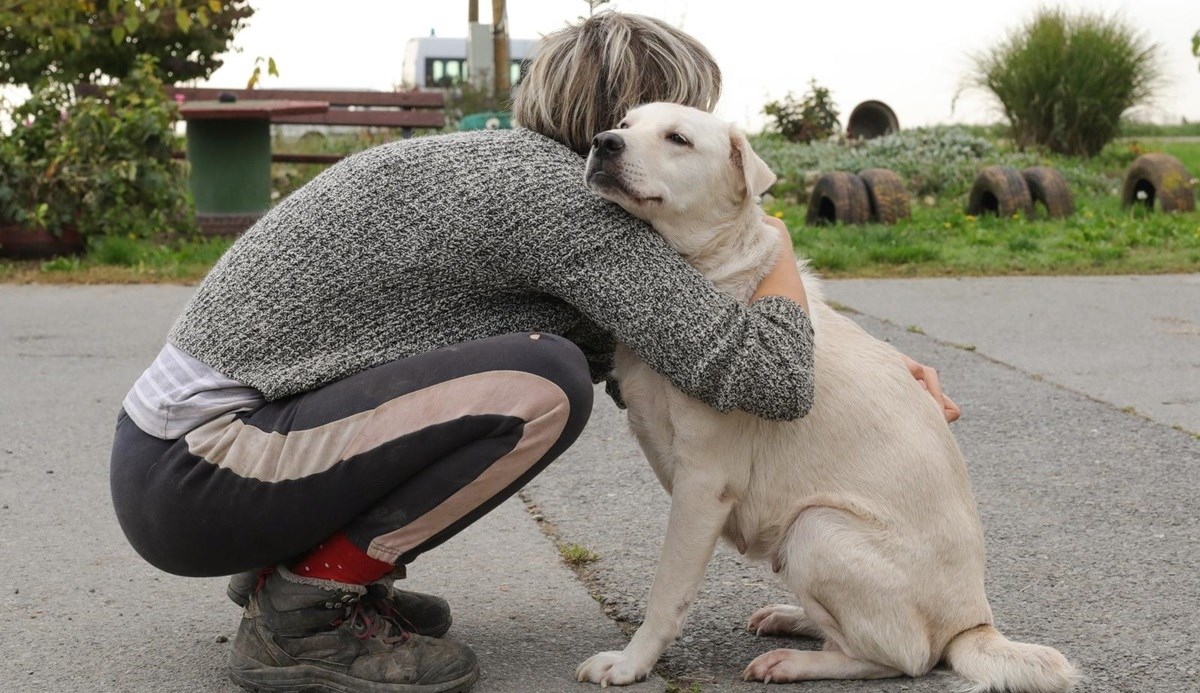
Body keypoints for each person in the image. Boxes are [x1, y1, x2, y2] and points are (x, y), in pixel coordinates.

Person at [109, 11, 958, 693]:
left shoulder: (505, 168)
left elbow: (682, 350)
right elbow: (769, 376)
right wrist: (768, 237)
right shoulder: (567, 205)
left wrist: (880, 366)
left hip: (180, 459)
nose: (674, 139)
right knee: (539, 383)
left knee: (525, 372)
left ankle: (312, 571)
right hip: (202, 471)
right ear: (627, 120)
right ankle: (305, 609)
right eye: (673, 121)